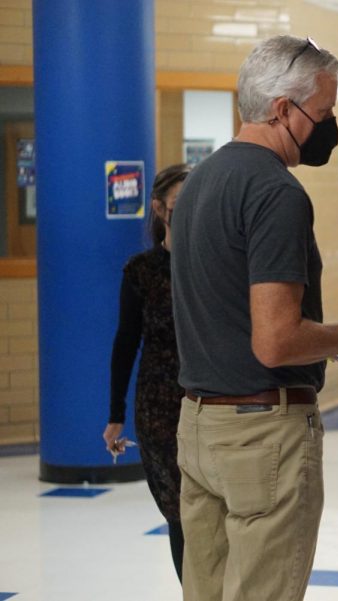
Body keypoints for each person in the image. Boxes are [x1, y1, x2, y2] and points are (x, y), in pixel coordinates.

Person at [169, 35, 338, 601]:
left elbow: (232, 312)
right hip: (263, 437)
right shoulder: (275, 191)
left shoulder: (198, 184)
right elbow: (276, 342)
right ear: (283, 109)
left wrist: (328, 342)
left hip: (199, 428)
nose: (328, 128)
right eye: (325, 113)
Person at [102, 163, 191, 581]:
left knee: (213, 510)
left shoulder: (218, 266)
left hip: (213, 400)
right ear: (158, 208)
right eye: (178, 204)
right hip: (159, 406)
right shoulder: (141, 271)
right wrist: (115, 413)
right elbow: (125, 343)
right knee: (180, 512)